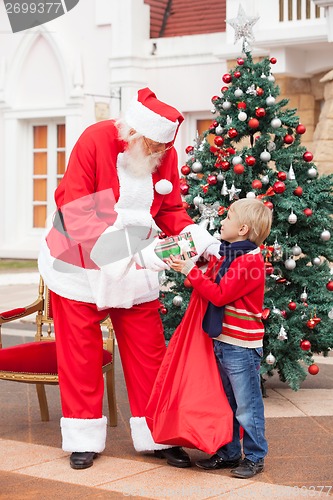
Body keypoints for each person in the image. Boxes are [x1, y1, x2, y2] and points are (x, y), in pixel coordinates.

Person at [38, 87, 219, 470]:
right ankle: (82, 437)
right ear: (134, 132)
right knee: (80, 354)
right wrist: (132, 254)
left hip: (138, 251)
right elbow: (74, 206)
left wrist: (194, 236)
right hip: (78, 255)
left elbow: (170, 208)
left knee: (149, 351)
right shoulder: (96, 139)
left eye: (163, 149)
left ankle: (158, 436)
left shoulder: (162, 153)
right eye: (152, 146)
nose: (158, 155)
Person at [167, 197, 272, 479]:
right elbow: (210, 282)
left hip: (241, 346)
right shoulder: (230, 256)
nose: (222, 222)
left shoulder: (249, 263)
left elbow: (219, 293)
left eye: (228, 218)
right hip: (224, 341)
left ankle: (254, 455)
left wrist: (192, 271)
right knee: (226, 402)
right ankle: (228, 453)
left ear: (243, 229)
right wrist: (193, 268)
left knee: (247, 404)